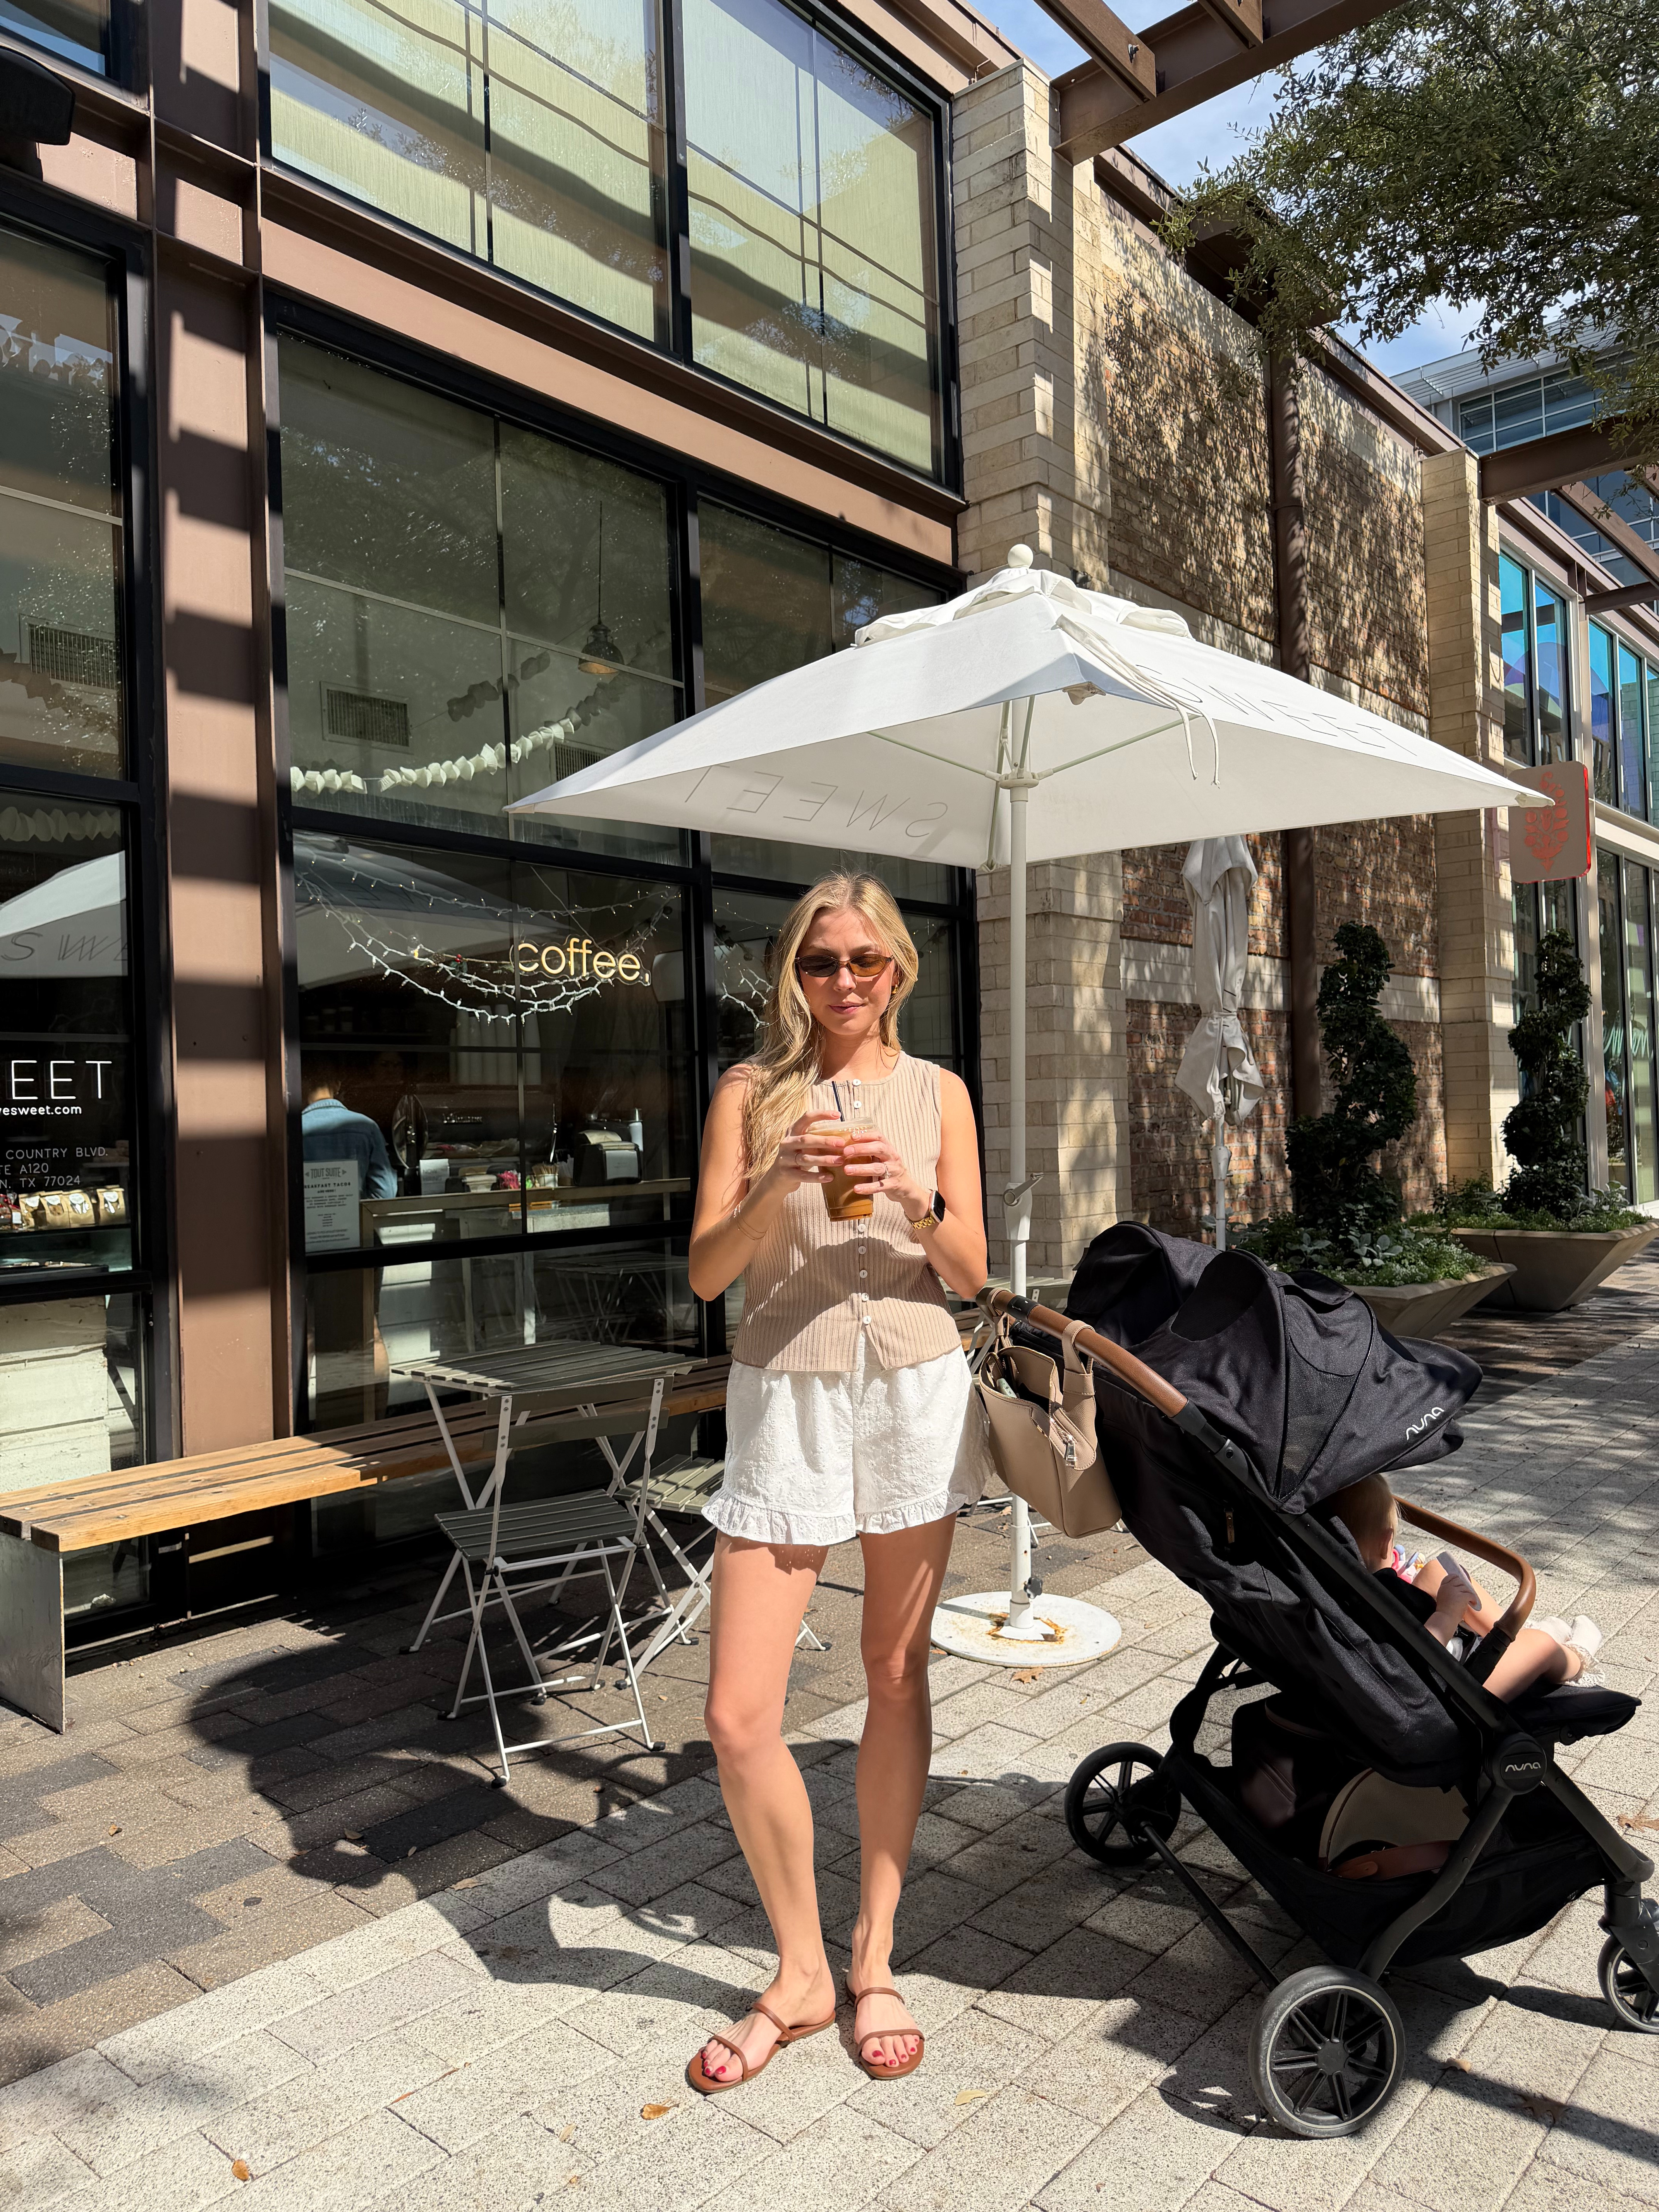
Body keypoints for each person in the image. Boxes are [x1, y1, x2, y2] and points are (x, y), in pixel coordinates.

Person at [685, 872, 992, 2094]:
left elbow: (969, 1273)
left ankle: (873, 1957)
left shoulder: (941, 1093)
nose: (845, 982)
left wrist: (917, 1195)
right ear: (793, 976)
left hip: (914, 1394)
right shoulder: (751, 1094)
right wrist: (777, 1182)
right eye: (822, 963)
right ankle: (799, 1966)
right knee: (737, 1713)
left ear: (901, 970)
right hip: (787, 1399)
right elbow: (710, 1274)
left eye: (866, 960)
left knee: (893, 1671)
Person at [1322, 1474, 1603, 1698]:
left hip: (1443, 1658)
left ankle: (1511, 1635)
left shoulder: (1336, 1585)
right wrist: (1447, 1612)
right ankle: (1576, 1657)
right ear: (1387, 1540)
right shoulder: (1375, 1602)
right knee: (1541, 1646)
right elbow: (1417, 1656)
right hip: (1453, 1688)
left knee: (1438, 1572)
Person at [301, 1070, 398, 1199]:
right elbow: (385, 1194)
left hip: (308, 1218)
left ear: (301, 1084)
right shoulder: (367, 1127)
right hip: (356, 1218)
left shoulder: (293, 1130)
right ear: (337, 1086)